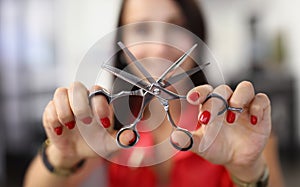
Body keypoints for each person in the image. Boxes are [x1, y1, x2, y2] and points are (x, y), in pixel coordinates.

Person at [23, 0, 285, 186]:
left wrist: (247, 169)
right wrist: (63, 154)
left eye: (175, 27)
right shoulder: (107, 124)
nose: (160, 48)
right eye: (142, 29)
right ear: (122, 46)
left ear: (197, 36)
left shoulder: (237, 122)